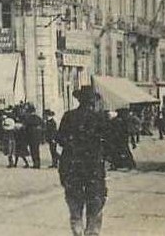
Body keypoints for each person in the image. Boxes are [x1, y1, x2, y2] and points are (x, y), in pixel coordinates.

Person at [57, 86, 108, 236]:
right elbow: (107, 141)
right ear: (92, 101)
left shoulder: (68, 116)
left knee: (74, 200)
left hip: (72, 165)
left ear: (79, 100)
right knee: (96, 199)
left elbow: (60, 139)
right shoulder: (99, 118)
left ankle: (77, 230)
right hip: (93, 165)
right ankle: (92, 231)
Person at [23, 104, 44, 169]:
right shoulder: (38, 118)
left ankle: (35, 163)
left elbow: (25, 128)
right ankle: (38, 163)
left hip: (31, 137)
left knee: (33, 150)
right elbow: (43, 126)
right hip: (37, 137)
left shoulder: (28, 118)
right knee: (37, 150)